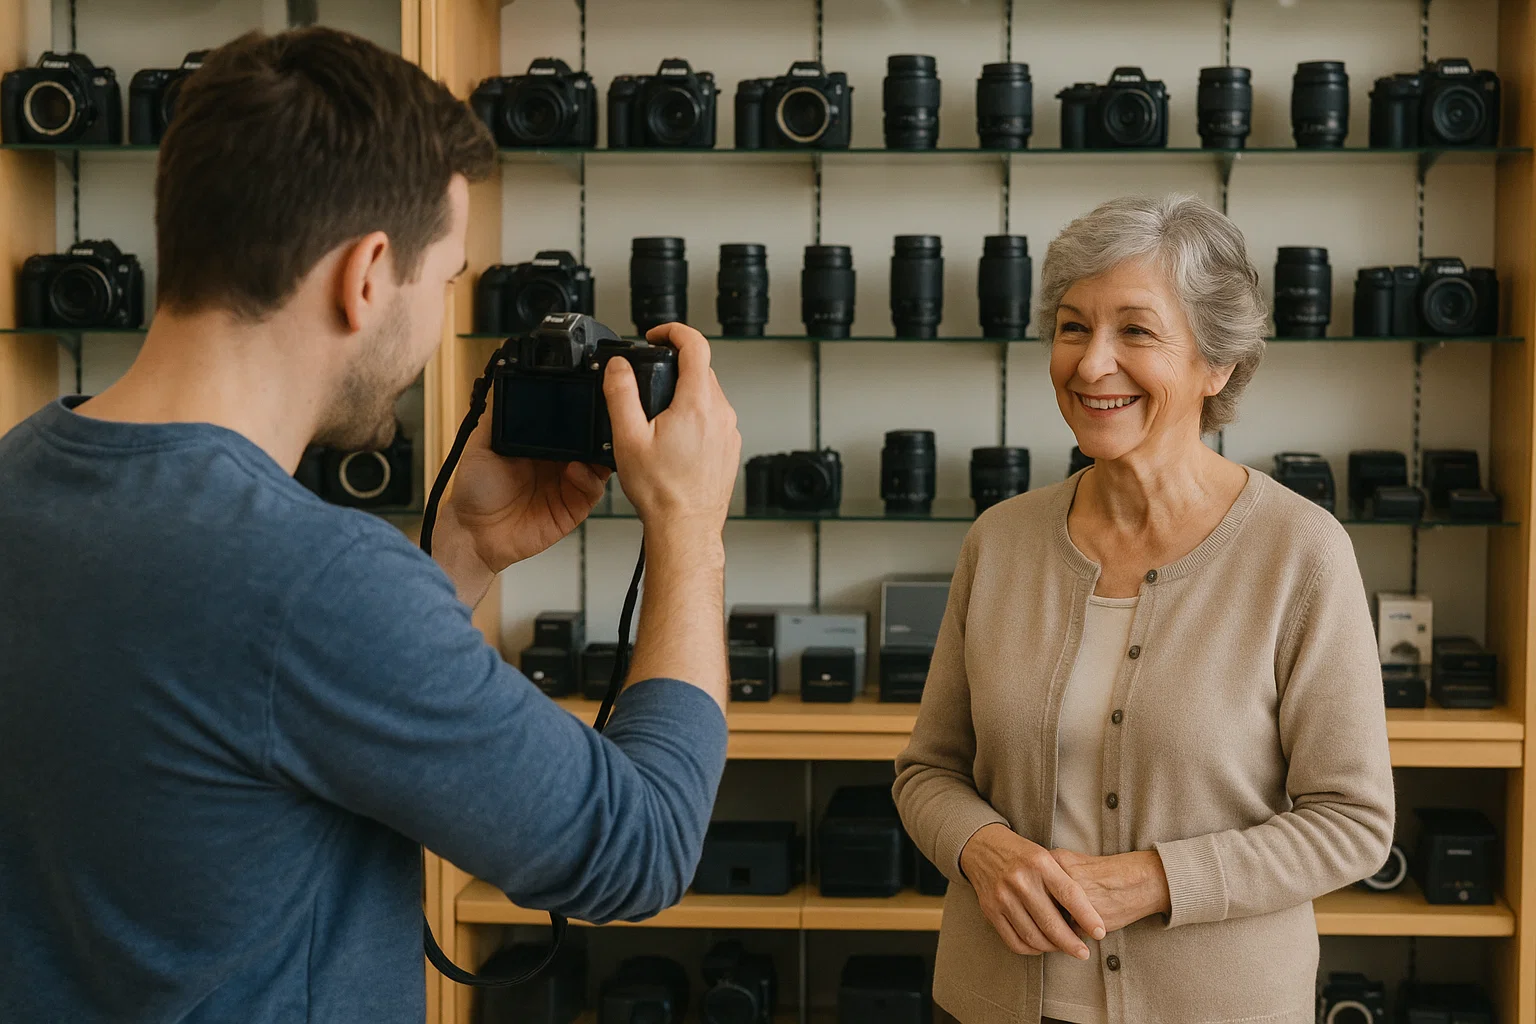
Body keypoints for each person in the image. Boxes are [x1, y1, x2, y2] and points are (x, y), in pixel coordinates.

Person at [0, 27, 741, 1023]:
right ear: (365, 273)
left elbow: (240, 726)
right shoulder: (312, 582)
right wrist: (690, 529)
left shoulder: (25, 477)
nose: (439, 322)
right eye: (443, 281)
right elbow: (638, 848)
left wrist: (459, 556)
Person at [894, 194, 1394, 1024]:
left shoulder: (1299, 552)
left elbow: (1351, 822)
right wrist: (982, 850)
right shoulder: (1001, 542)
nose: (1092, 365)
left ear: (1218, 363)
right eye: (1071, 327)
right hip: (992, 1004)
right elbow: (928, 773)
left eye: (1135, 330)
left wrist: (1154, 879)